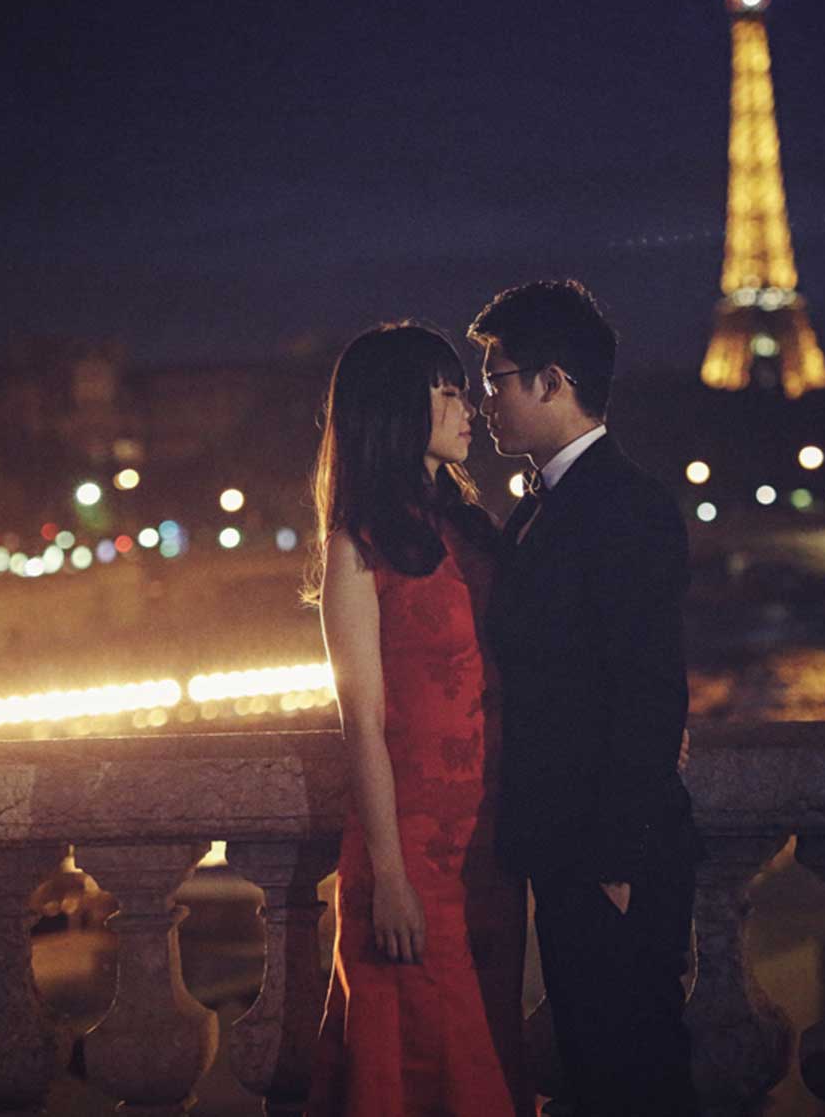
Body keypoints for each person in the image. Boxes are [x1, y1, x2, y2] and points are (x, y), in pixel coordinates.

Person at [468, 280, 703, 1117]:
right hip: (570, 845)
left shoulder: (622, 506)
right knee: (600, 1072)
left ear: (552, 382)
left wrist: (614, 864)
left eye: (496, 377)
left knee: (631, 1073)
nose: (483, 396)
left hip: (612, 855)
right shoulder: (551, 503)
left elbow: (648, 690)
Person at [303, 321, 534, 1117]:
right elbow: (361, 722)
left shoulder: (471, 532)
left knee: (489, 1054)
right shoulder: (355, 547)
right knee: (435, 1070)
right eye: (445, 392)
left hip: (490, 849)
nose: (467, 405)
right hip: (415, 857)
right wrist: (390, 880)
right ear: (397, 411)